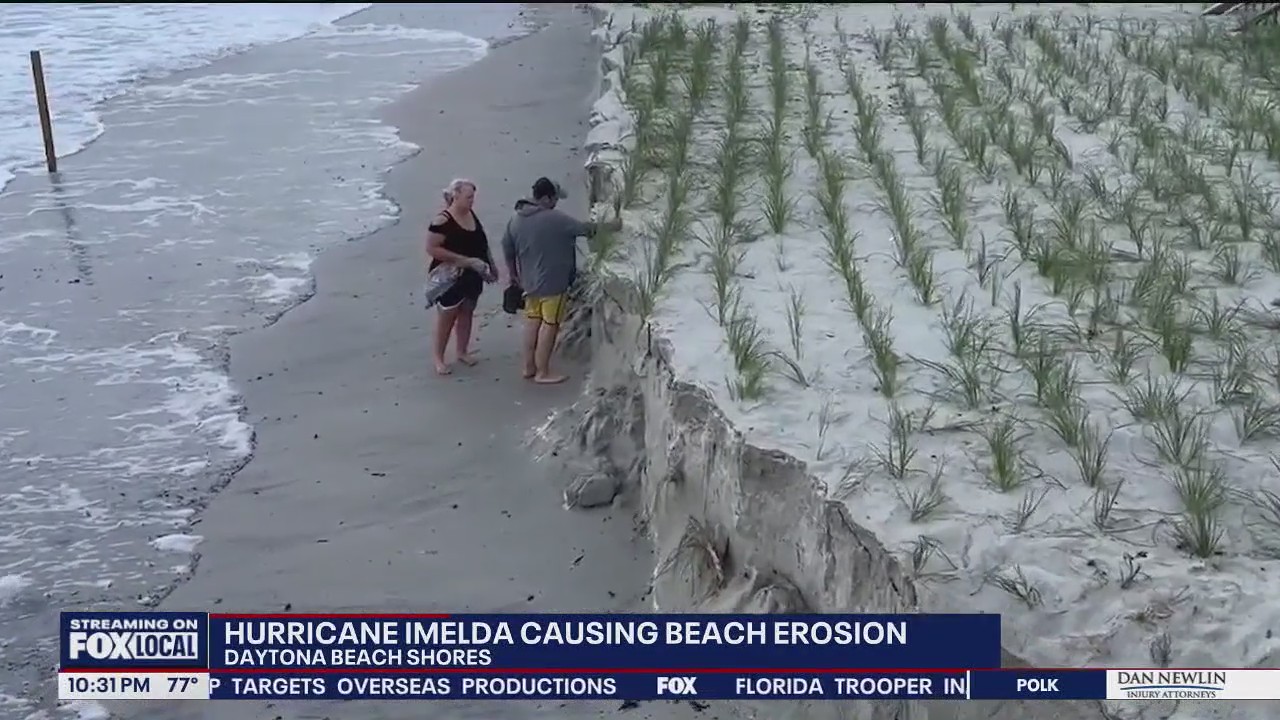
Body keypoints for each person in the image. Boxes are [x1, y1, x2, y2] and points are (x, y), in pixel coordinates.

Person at [501, 177, 619, 384]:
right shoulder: (555, 219)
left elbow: (507, 250)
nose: (556, 203)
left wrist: (514, 276)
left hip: (528, 283)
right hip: (553, 285)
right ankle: (543, 372)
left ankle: (528, 367)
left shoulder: (515, 219)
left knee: (532, 322)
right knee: (550, 325)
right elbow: (586, 229)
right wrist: (614, 225)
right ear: (546, 198)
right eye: (555, 198)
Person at [426, 178, 496, 376]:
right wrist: (463, 260)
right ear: (455, 196)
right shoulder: (442, 221)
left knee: (467, 310)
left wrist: (490, 265)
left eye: (473, 197)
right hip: (450, 277)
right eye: (468, 197)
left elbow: (482, 242)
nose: (472, 201)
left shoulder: (471, 214)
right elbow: (432, 248)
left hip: (473, 275)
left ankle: (462, 351)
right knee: (447, 316)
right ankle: (439, 358)